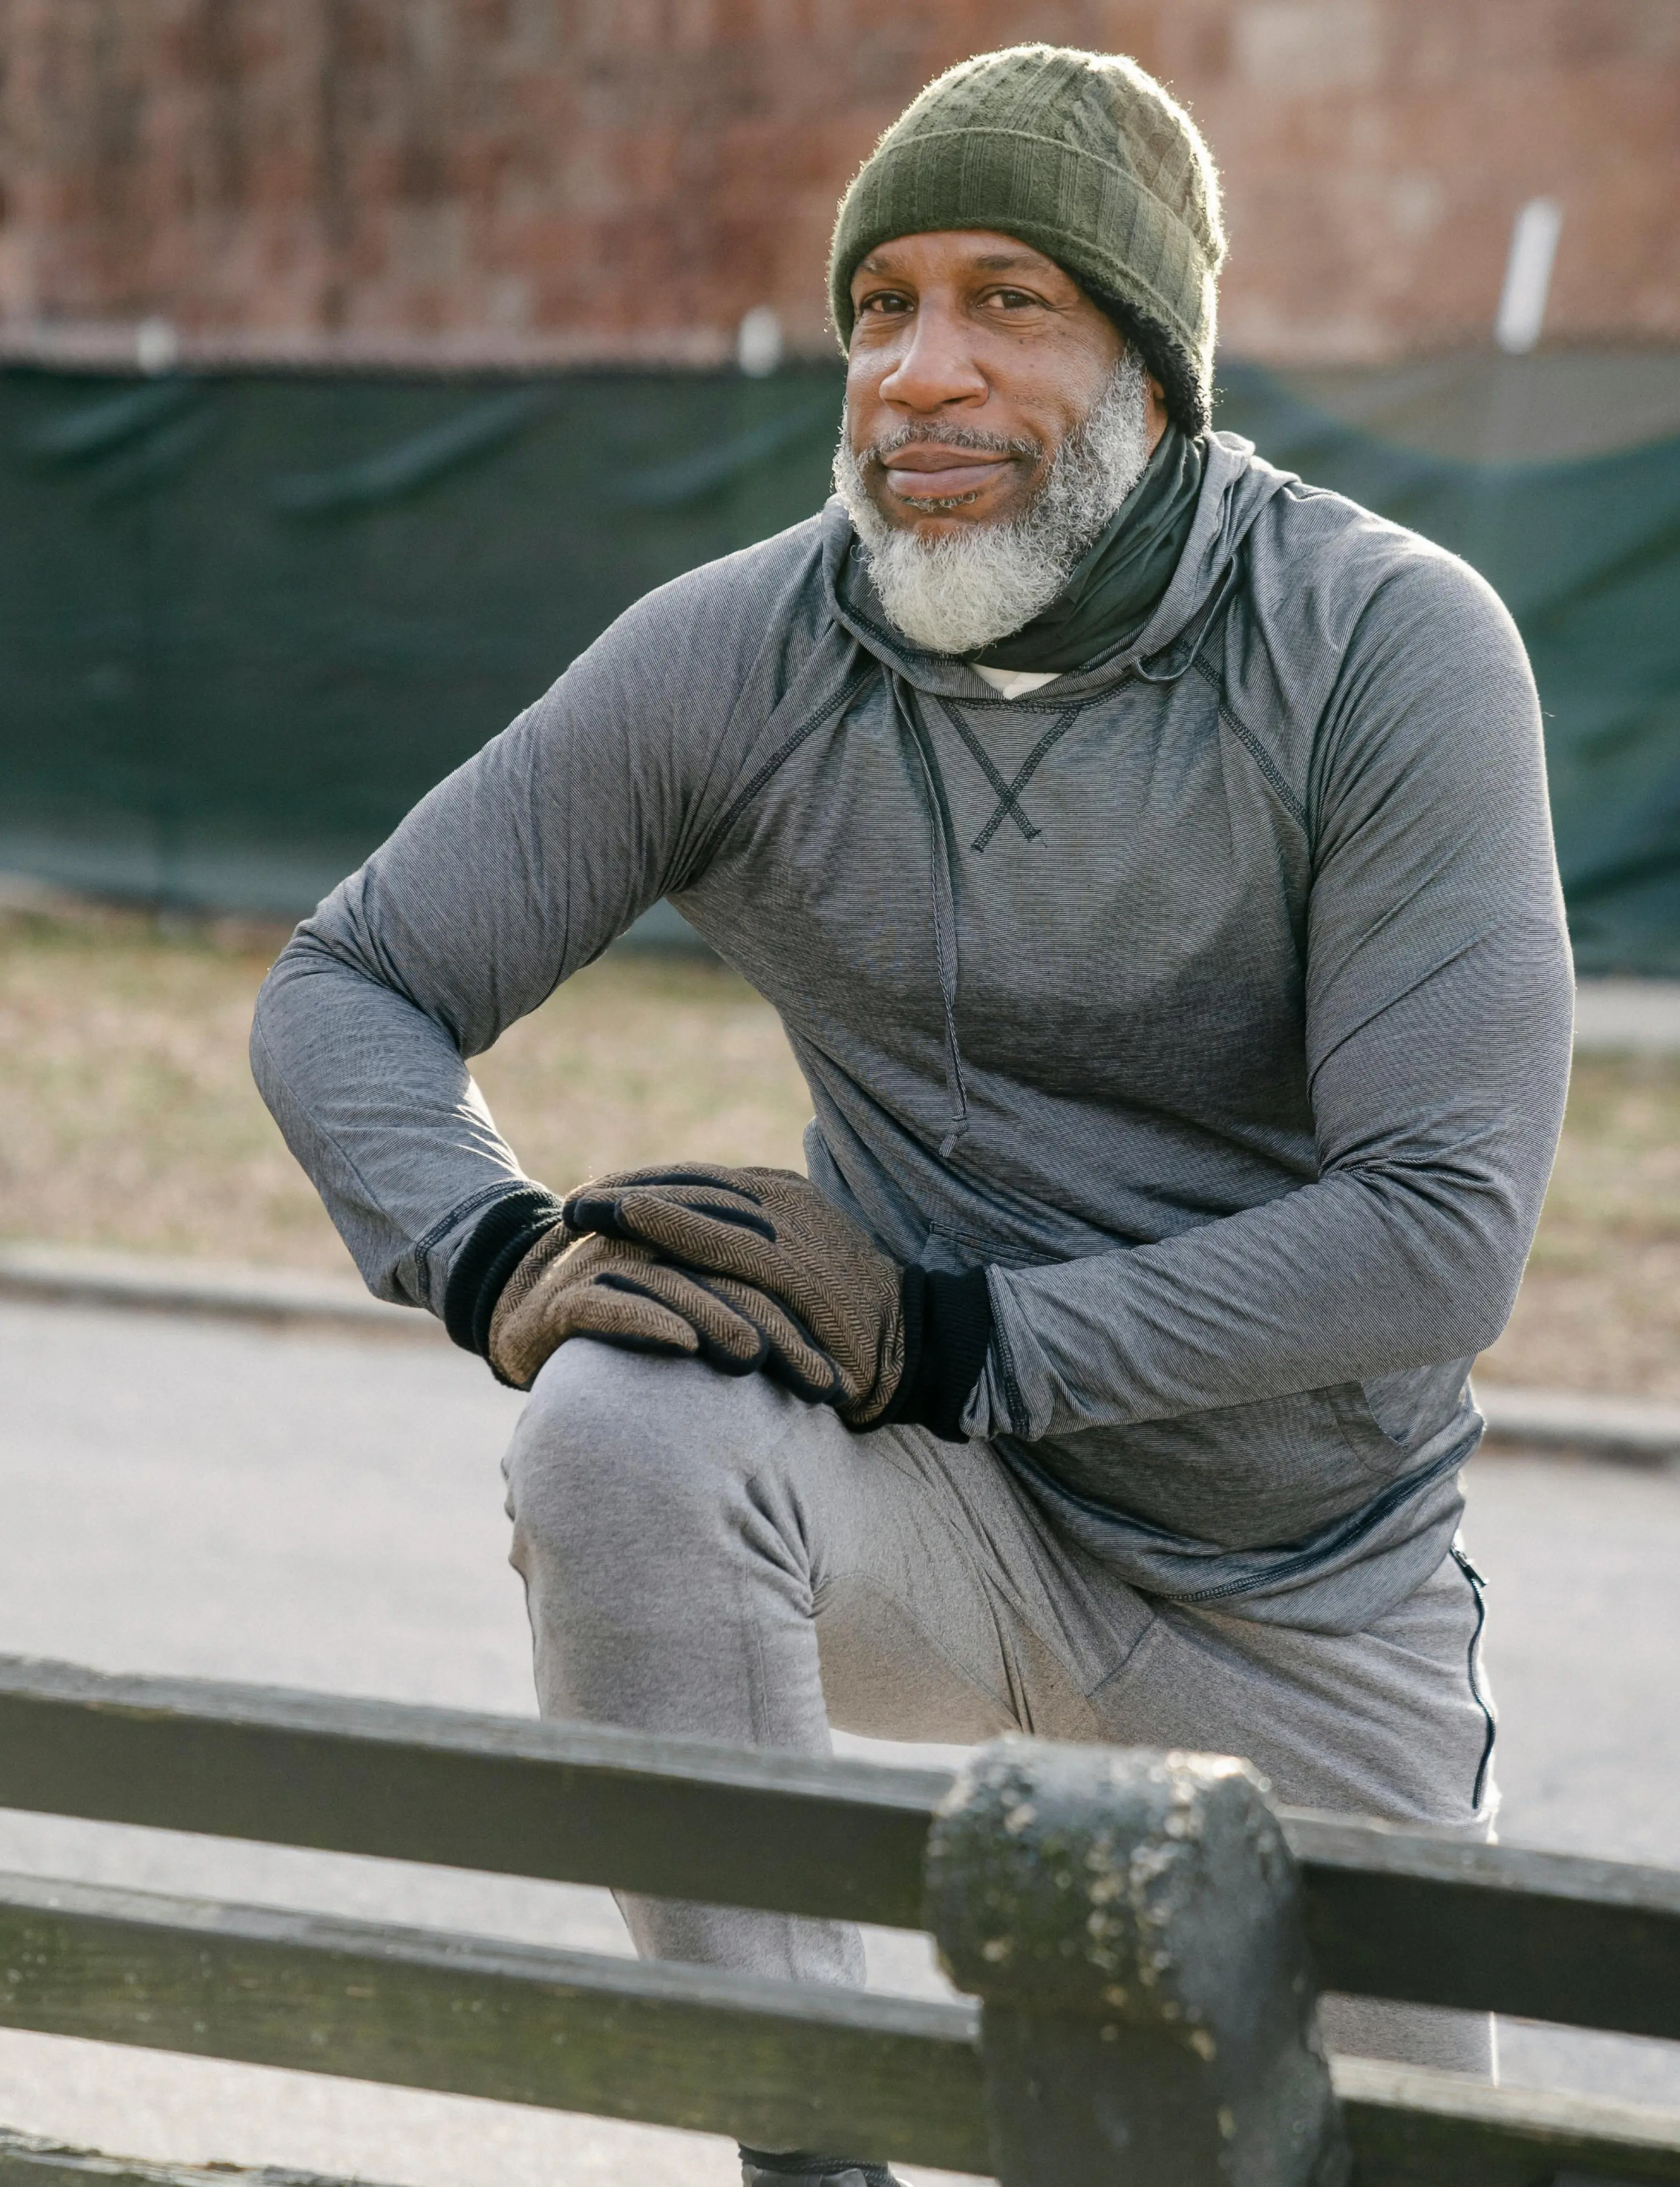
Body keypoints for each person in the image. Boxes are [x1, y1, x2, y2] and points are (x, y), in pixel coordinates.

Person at [254, 44, 1573, 2187]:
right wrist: (488, 1250)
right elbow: (350, 981)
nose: (918, 373)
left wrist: (953, 1335)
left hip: (1303, 1591)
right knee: (614, 1428)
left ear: (1154, 365)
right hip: (938, 1517)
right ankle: (810, 2144)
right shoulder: (743, 654)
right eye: (882, 307)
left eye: (1008, 303)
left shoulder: (1392, 647)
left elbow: (1442, 1231)